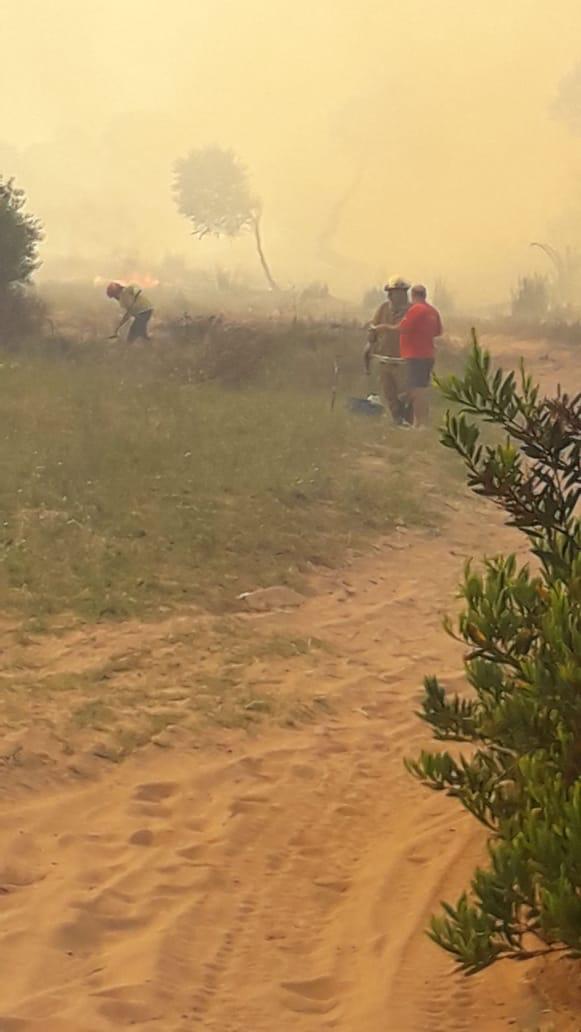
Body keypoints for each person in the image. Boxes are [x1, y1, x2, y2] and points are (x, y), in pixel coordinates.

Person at [383, 284, 443, 427]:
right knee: (420, 388)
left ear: (412, 295)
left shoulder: (415, 310)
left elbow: (402, 327)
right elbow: (438, 331)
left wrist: (383, 328)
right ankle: (420, 421)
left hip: (415, 355)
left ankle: (420, 423)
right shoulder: (432, 311)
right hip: (428, 355)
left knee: (416, 390)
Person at [364, 275, 411, 425]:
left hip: (404, 361)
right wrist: (369, 345)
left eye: (396, 292)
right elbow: (374, 328)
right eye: (390, 292)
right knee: (389, 394)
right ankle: (397, 422)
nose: (392, 295)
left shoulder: (412, 311)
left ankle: (408, 420)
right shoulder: (383, 308)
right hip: (384, 359)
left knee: (405, 394)